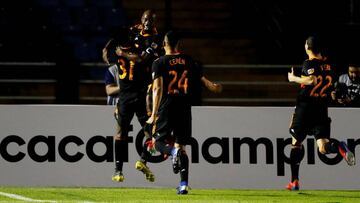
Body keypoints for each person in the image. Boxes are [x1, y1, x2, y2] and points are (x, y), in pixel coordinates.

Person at [286, 36, 355, 191]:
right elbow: (331, 89)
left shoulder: (309, 63)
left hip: (305, 109)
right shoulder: (329, 66)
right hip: (321, 111)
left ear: (307, 47)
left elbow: (311, 80)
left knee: (296, 144)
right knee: (323, 148)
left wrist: (293, 78)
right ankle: (338, 146)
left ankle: (294, 181)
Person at [146, 31, 200, 195]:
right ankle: (183, 185)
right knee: (182, 145)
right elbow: (199, 78)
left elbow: (157, 88)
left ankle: (173, 153)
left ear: (164, 43)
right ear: (178, 44)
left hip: (167, 106)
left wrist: (153, 113)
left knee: (157, 142)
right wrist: (212, 85)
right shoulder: (189, 60)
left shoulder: (159, 62)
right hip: (184, 106)